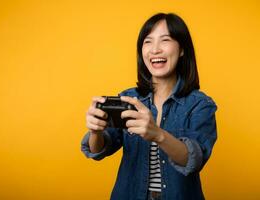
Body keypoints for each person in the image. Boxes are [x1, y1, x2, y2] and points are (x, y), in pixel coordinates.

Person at [81, 12, 217, 200]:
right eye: (148, 41)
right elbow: (97, 151)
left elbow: (193, 161)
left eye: (165, 40)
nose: (155, 50)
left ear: (182, 49)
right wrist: (95, 131)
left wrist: (157, 134)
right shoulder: (128, 99)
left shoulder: (200, 105)